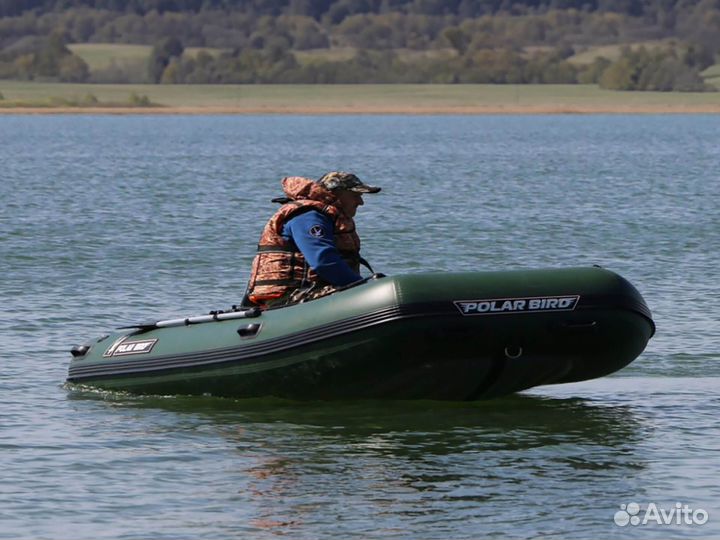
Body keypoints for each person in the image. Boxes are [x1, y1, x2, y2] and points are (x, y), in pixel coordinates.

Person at [245, 171, 381, 308]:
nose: (361, 202)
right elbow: (323, 261)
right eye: (355, 195)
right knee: (376, 299)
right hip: (292, 298)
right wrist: (363, 287)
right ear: (336, 193)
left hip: (310, 294)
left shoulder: (326, 216)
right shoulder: (309, 216)